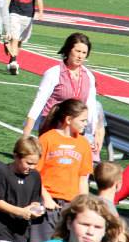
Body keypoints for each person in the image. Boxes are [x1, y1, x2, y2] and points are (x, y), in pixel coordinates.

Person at [22, 32, 104, 161]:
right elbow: (39, 102)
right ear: (68, 49)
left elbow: (91, 106)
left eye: (84, 53)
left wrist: (94, 133)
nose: (80, 56)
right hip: (53, 127)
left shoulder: (89, 76)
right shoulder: (53, 73)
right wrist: (27, 132)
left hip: (75, 130)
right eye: (77, 51)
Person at [30, 99, 93, 242]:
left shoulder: (83, 144)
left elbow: (83, 178)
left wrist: (83, 205)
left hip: (71, 205)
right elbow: (35, 174)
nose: (86, 124)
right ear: (69, 120)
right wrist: (46, 198)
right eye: (83, 120)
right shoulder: (47, 139)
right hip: (48, 203)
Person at [5, 0, 44, 75]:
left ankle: (11, 54)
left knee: (20, 40)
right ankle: (13, 61)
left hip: (28, 15)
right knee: (15, 37)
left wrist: (41, 12)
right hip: (14, 12)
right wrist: (4, 11)